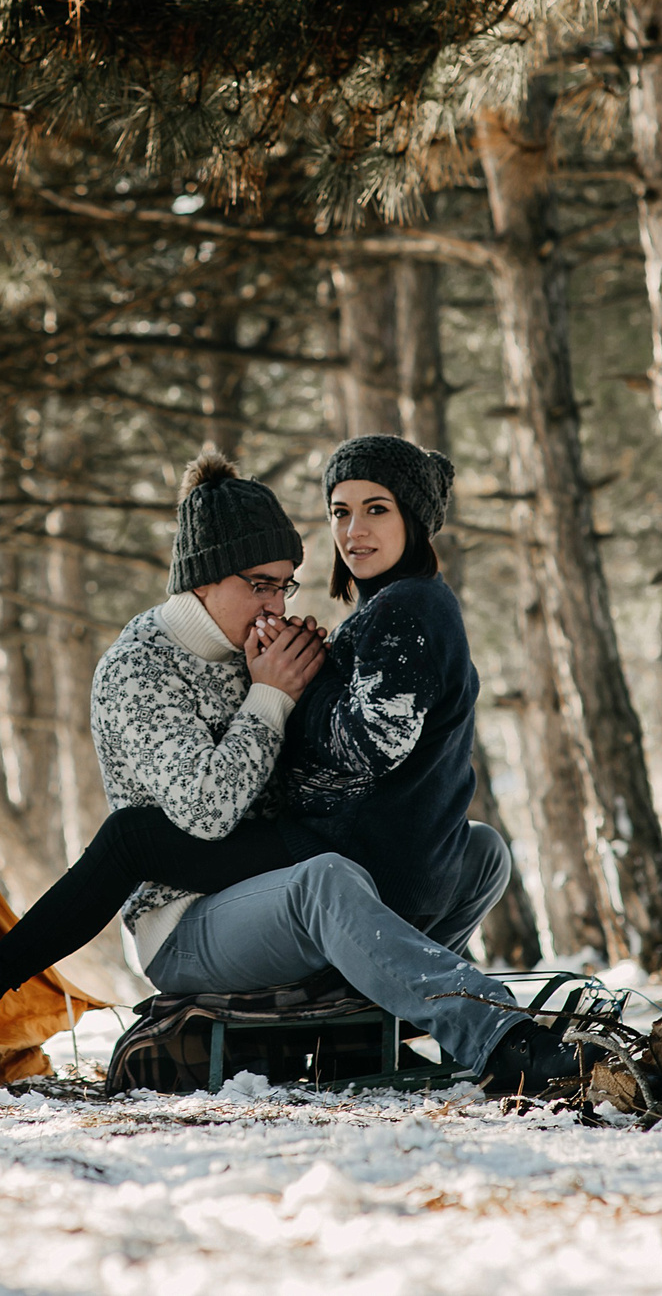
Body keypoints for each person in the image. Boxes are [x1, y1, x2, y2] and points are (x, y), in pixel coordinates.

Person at [0, 449, 335, 1063]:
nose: (277, 607)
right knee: (133, 834)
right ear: (203, 579)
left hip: (285, 875)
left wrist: (316, 686)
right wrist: (271, 697)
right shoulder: (139, 668)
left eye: (284, 585)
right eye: (259, 585)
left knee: (142, 835)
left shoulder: (266, 649)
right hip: (186, 906)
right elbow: (208, 814)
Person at [135, 434, 585, 1092]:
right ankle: (362, 1028)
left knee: (352, 873)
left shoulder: (408, 607)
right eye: (340, 512)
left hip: (362, 877)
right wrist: (314, 666)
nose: (354, 530)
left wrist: (288, 686)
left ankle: (499, 1038)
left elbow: (363, 751)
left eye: (376, 509)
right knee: (484, 850)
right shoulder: (385, 609)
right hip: (372, 879)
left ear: (413, 518)